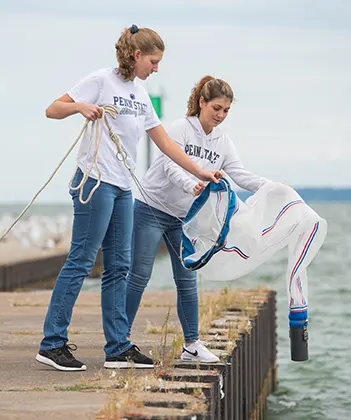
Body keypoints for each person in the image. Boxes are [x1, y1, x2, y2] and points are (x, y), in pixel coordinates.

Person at [36, 26, 223, 372]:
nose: (156, 69)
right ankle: (52, 343)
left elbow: (166, 143)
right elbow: (52, 109)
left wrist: (200, 172)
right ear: (137, 56)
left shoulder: (138, 94)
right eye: (153, 61)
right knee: (81, 260)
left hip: (123, 189)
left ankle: (118, 348)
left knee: (119, 268)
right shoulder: (101, 80)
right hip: (95, 182)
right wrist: (80, 107)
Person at [125, 75, 269, 363]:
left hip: (184, 218)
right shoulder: (180, 129)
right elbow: (168, 165)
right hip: (151, 208)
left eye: (226, 111)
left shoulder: (223, 142)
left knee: (187, 280)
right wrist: (191, 185)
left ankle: (191, 345)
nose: (220, 115)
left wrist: (270, 187)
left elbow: (238, 173)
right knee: (139, 276)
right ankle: (119, 340)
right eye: (216, 108)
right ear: (201, 102)